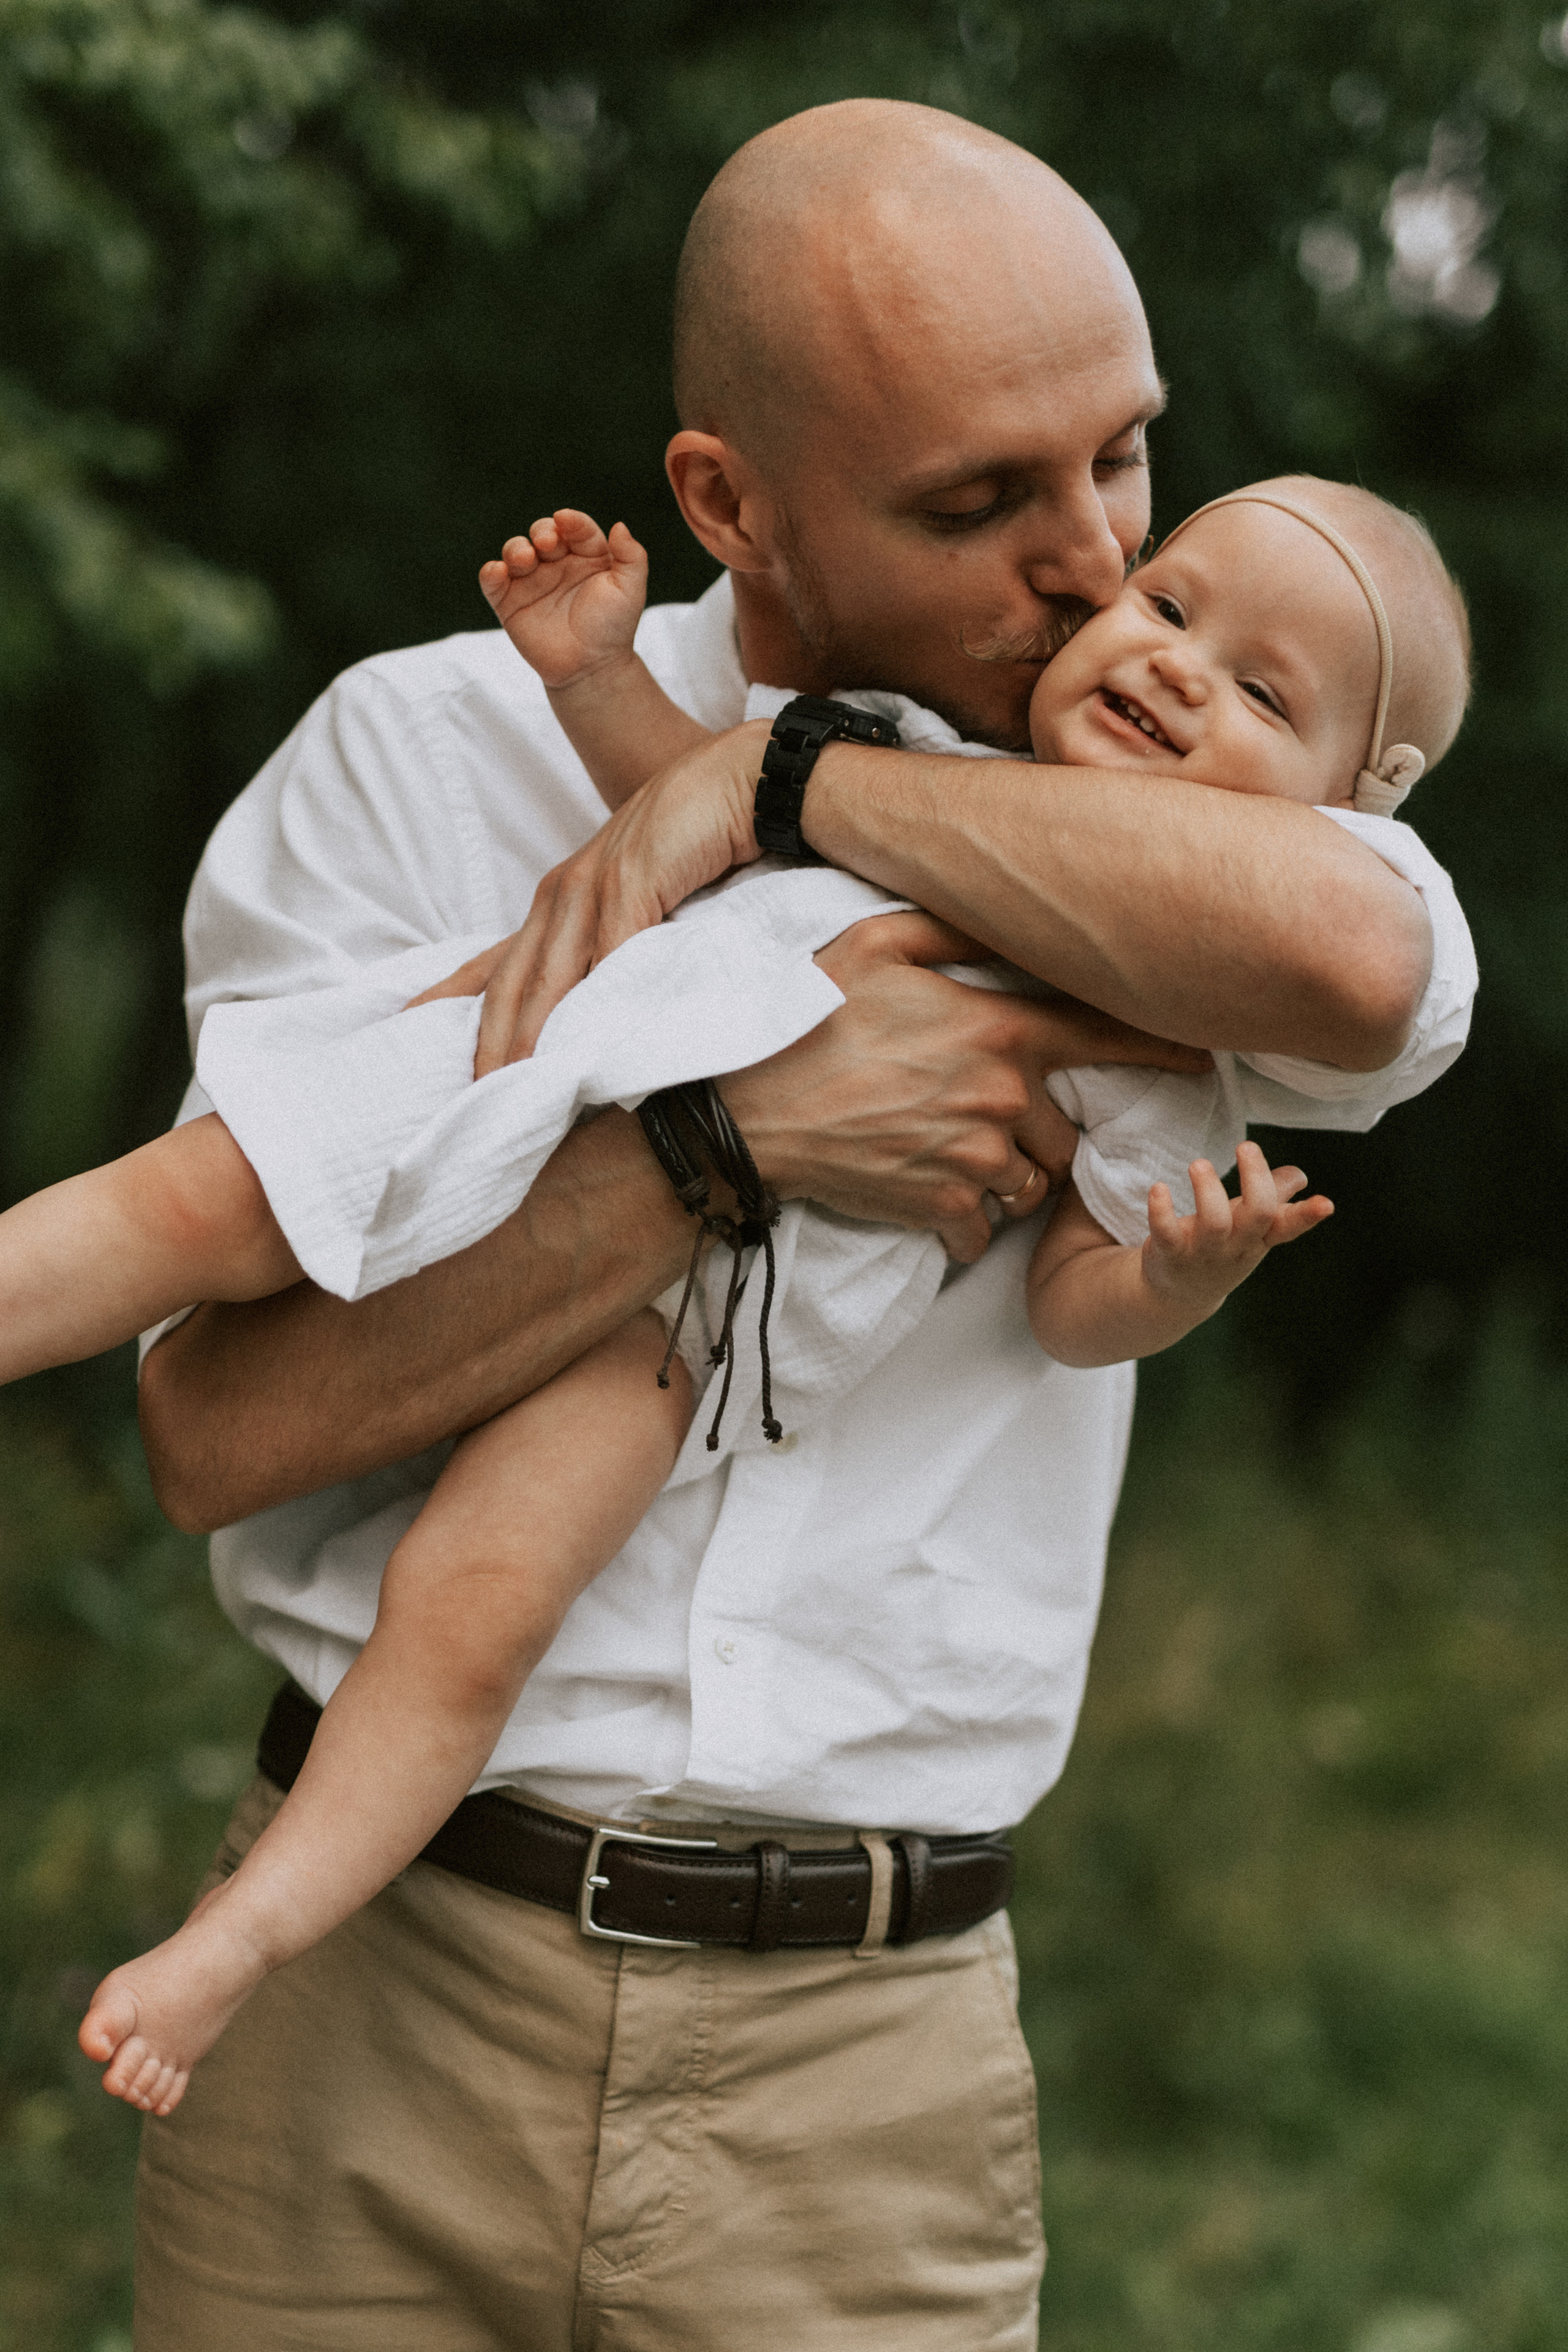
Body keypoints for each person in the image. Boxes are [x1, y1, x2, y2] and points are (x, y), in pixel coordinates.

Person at [125, 102, 1473, 2352]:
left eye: (1124, 459)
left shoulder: (1230, 796)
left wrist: (777, 785)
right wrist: (718, 1149)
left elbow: (1355, 966)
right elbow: (213, 1430)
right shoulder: (419, 757)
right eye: (978, 501)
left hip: (863, 2078)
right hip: (366, 1990)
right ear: (728, 500)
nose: (1093, 566)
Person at [12, 467, 1461, 2117]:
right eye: (1171, 608)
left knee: (474, 1610)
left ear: (1356, 808)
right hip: (517, 1058)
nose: (1180, 670)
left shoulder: (1165, 1028)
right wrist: (594, 677)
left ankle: (234, 1945)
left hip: (668, 1336)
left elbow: (1073, 1301)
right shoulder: (903, 754)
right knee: (189, 1205)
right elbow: (690, 814)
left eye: (1264, 694)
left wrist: (1175, 1278)